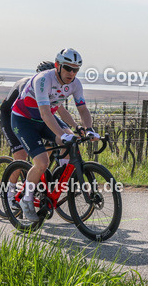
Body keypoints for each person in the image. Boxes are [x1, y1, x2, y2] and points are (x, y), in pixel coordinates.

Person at [9, 49, 99, 221]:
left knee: (71, 139)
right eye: (68, 68)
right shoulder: (44, 80)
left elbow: (82, 109)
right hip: (24, 120)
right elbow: (45, 113)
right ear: (58, 66)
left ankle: (62, 181)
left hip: (44, 120)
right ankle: (26, 200)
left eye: (76, 70)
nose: (71, 73)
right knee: (42, 162)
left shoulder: (75, 84)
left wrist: (88, 129)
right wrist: (61, 134)